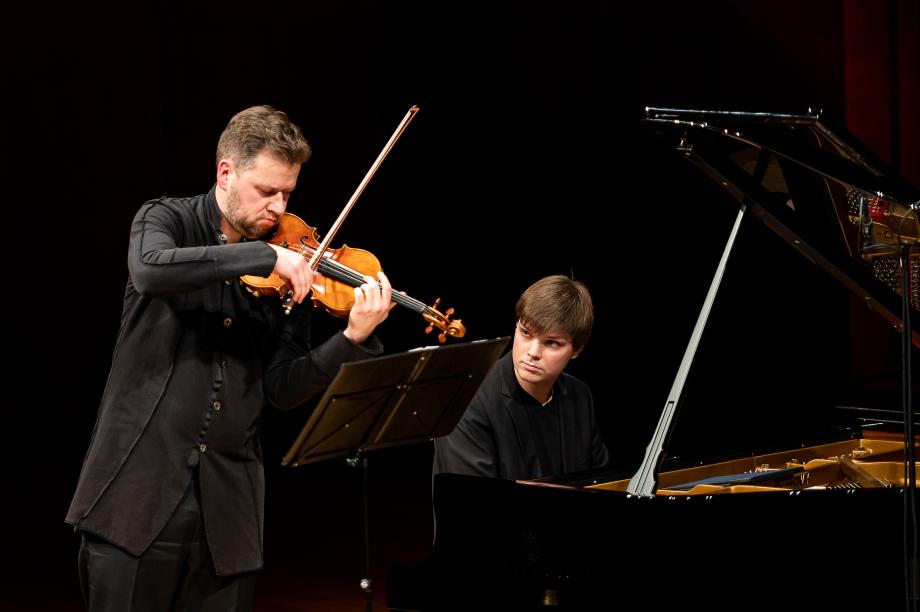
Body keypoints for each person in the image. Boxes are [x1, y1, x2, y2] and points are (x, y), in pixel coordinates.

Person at [66, 105, 394, 612]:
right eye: (267, 191)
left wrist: (350, 338)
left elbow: (282, 389)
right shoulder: (166, 219)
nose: (279, 208)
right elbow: (151, 271)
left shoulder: (293, 267)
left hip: (228, 518)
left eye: (288, 193)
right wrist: (263, 256)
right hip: (134, 500)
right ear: (226, 172)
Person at [432, 274, 608, 481]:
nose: (533, 352)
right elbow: (473, 505)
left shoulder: (579, 395)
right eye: (526, 333)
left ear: (577, 349)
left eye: (552, 343)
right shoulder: (465, 400)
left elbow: (598, 483)